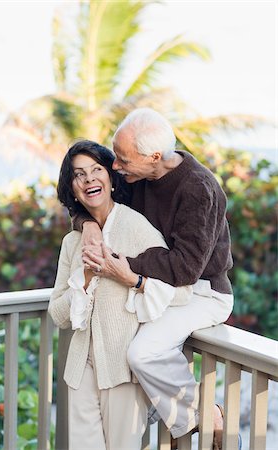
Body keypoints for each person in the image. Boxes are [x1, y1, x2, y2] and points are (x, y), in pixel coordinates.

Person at [78, 108, 239, 449]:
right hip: (156, 287)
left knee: (142, 354)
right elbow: (90, 197)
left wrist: (126, 267)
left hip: (202, 294)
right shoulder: (137, 176)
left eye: (122, 160)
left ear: (153, 156)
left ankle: (209, 416)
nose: (115, 167)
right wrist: (88, 225)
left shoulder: (199, 189)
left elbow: (185, 268)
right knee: (116, 343)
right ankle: (178, 415)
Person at [48, 139, 194, 450]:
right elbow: (58, 315)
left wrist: (132, 279)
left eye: (96, 170)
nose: (89, 180)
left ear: (111, 178)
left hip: (122, 371)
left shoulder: (137, 227)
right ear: (72, 188)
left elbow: (181, 294)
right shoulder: (72, 242)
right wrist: (85, 275)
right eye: (79, 175)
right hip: (79, 370)